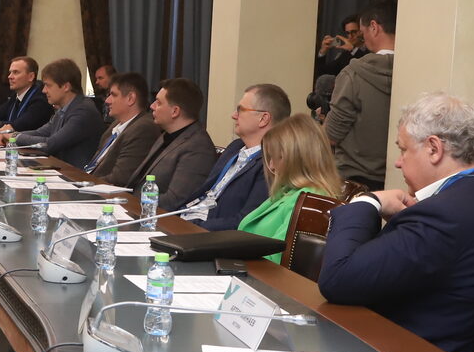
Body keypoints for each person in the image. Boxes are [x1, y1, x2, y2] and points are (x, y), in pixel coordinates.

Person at [317, 92, 474, 352]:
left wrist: (367, 201)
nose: (398, 161)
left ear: (434, 148)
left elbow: (337, 279)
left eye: (403, 149)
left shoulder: (445, 215)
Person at [178, 83, 289, 230]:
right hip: (185, 218)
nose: (234, 115)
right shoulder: (235, 147)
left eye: (240, 110)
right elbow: (206, 192)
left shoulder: (271, 164)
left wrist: (193, 226)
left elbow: (245, 222)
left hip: (207, 233)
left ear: (263, 119)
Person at [236, 115, 344, 261]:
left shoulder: (311, 201)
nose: (271, 166)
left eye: (278, 157)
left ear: (299, 158)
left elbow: (278, 260)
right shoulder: (292, 191)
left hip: (255, 272)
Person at [326, 0, 396, 189]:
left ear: (374, 27)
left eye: (362, 33)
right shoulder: (416, 71)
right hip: (398, 180)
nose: (362, 39)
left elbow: (331, 135)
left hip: (355, 181)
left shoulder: (354, 74)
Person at [131, 78, 219, 213]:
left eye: (158, 103)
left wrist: (131, 203)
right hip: (136, 207)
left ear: (175, 111)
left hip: (156, 217)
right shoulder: (166, 135)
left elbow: (173, 201)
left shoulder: (198, 148)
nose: (152, 106)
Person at [0, 58, 102, 166]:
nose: (44, 90)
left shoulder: (83, 111)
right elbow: (39, 133)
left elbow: (50, 144)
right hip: (60, 168)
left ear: (66, 86)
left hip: (74, 173)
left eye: (48, 85)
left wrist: (13, 137)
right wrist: (9, 134)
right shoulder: (64, 108)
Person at [84, 72, 158, 186]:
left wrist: (84, 183)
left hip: (103, 191)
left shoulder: (143, 128)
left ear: (130, 99)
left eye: (113, 95)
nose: (107, 100)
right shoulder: (116, 124)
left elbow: (120, 178)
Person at [315, 15, 365, 80]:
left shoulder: (370, 49)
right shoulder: (345, 54)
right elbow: (323, 73)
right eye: (348, 33)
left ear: (361, 31)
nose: (350, 36)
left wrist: (352, 49)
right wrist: (322, 52)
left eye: (354, 32)